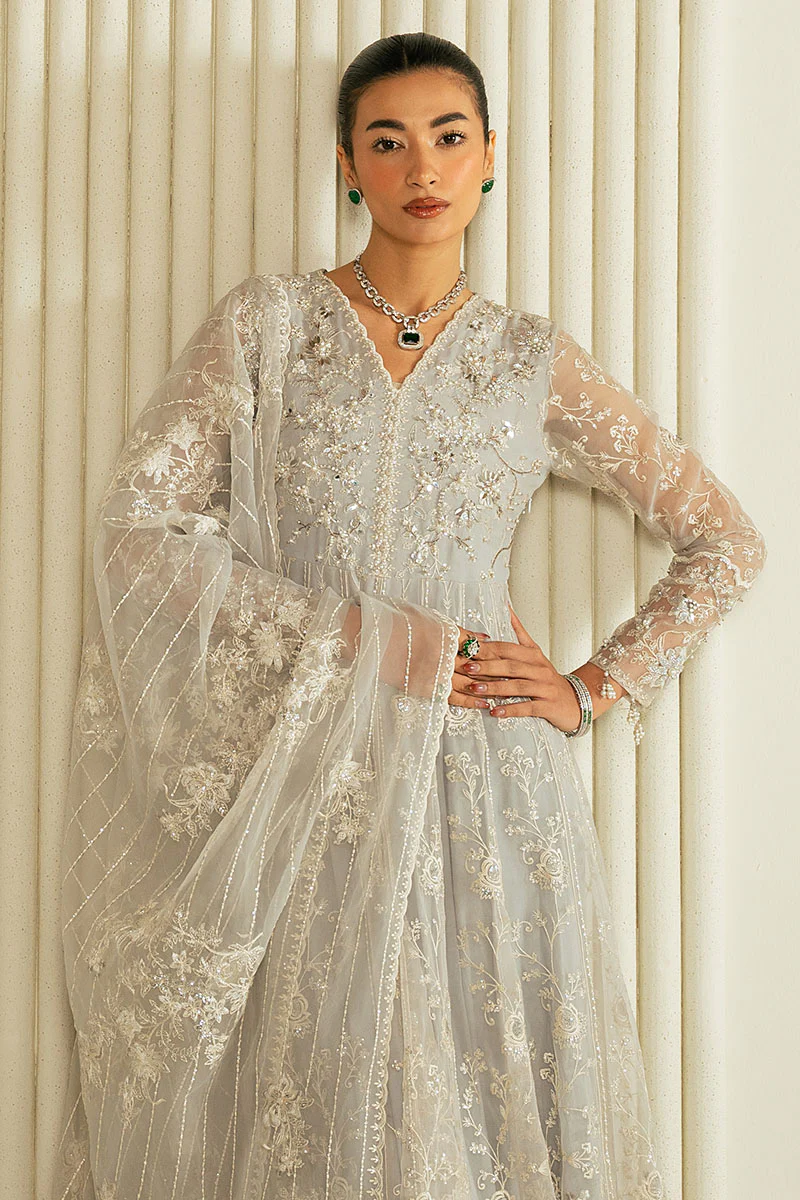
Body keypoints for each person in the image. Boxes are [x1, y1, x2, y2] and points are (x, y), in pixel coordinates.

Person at [52, 31, 766, 1200]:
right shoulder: (268, 327)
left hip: (481, 783)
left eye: (446, 137)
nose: (420, 167)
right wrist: (356, 635)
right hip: (302, 771)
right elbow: (140, 534)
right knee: (313, 1084)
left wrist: (591, 688)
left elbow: (724, 539)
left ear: (489, 157)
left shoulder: (529, 362)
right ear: (348, 167)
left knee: (470, 1087)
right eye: (386, 142)